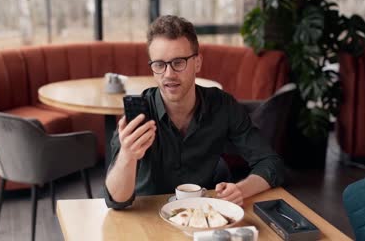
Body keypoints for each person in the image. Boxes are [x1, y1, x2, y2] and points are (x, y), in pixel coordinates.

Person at [104, 15, 284, 209]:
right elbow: (116, 200)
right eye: (159, 65)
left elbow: (271, 163)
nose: (169, 74)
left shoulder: (222, 105)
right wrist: (127, 155)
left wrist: (241, 189)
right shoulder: (139, 115)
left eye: (179, 62)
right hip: (146, 217)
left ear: (197, 63)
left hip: (200, 216)